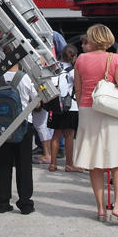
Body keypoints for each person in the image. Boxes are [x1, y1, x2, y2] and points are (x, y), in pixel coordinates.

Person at [74, 24, 118, 225]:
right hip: (110, 110)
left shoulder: (81, 59)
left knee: (94, 161)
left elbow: (78, 90)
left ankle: (101, 208)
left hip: (87, 108)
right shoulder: (114, 58)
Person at [0, 63, 37, 214]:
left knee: (1, 163)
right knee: (24, 164)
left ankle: (2, 203)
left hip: (1, 125)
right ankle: (25, 203)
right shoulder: (26, 78)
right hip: (23, 124)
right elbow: (37, 103)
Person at [48, 44, 81, 172]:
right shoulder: (72, 71)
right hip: (70, 106)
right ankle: (69, 164)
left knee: (56, 134)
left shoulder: (53, 68)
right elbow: (78, 87)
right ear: (73, 57)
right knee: (69, 134)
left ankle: (52, 163)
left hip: (56, 104)